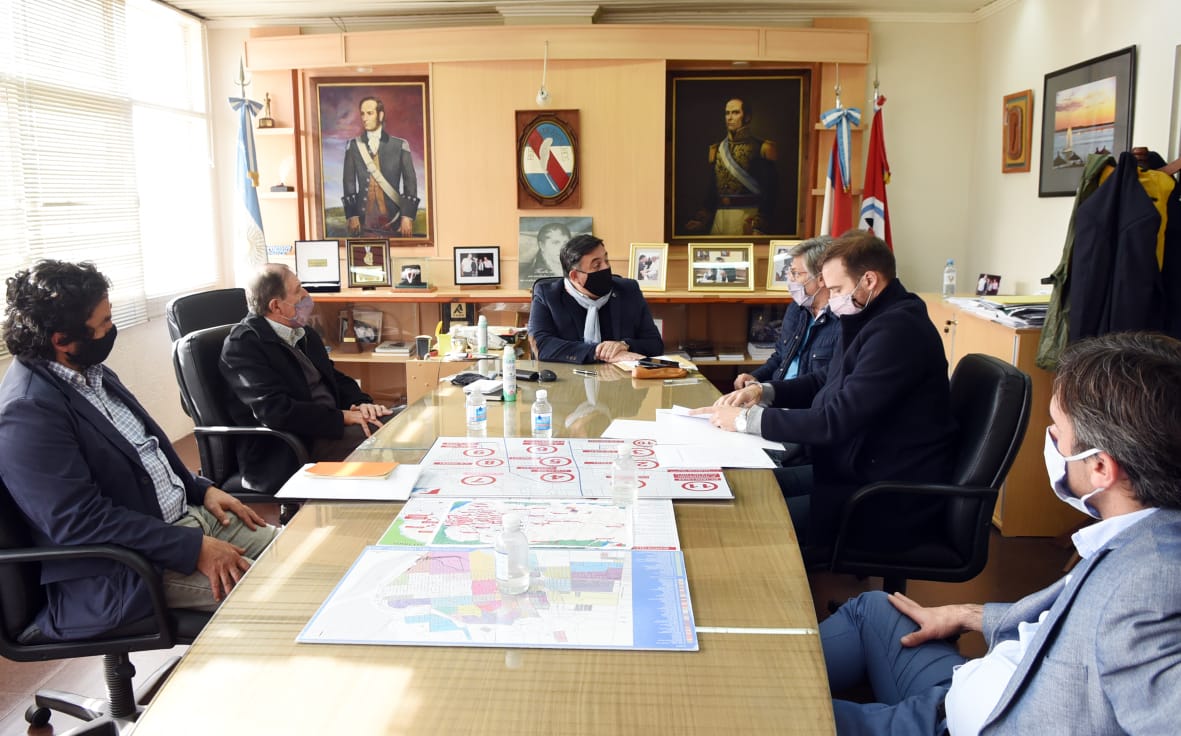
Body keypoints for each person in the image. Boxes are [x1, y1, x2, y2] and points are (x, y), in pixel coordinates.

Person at [822, 331, 1181, 735]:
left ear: (1100, 467)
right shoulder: (1142, 531)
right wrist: (967, 615)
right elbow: (1071, 621)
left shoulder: (1151, 588)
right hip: (965, 692)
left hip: (956, 725)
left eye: (1057, 430)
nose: (1051, 440)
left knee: (773, 717)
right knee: (872, 609)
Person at [0, 260, 277, 640]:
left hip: (189, 520)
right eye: (104, 323)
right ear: (61, 340)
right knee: (287, 596)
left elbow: (146, 453)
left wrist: (201, 489)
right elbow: (77, 521)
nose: (111, 329)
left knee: (308, 560)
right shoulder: (28, 411)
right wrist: (192, 548)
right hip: (128, 569)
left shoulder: (91, 372)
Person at [693, 232, 956, 559]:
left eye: (837, 290)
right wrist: (765, 391)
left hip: (884, 495)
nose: (831, 300)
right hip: (853, 469)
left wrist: (746, 420)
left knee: (749, 520)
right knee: (743, 490)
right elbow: (826, 380)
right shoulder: (871, 317)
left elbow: (835, 421)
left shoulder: (897, 332)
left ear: (869, 280)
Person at [220, 264, 394, 492]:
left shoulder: (303, 332)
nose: (306, 295)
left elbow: (334, 377)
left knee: (401, 418)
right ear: (276, 306)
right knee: (392, 437)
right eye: (298, 290)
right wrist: (342, 417)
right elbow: (275, 411)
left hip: (327, 427)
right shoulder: (243, 346)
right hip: (293, 445)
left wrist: (361, 403)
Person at [528, 234, 665, 364]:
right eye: (597, 265)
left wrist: (624, 345)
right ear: (574, 276)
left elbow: (655, 344)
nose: (606, 267)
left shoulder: (628, 290)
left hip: (619, 377)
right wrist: (598, 352)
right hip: (569, 377)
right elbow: (541, 346)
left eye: (606, 260)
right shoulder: (548, 295)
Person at [733, 236, 838, 389]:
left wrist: (766, 391)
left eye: (796, 273)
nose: (789, 279)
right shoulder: (797, 308)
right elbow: (780, 356)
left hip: (801, 400)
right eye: (790, 272)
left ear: (821, 278)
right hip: (774, 393)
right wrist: (756, 377)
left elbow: (823, 382)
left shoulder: (842, 320)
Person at [685, 97, 778, 236]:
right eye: (727, 113)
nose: (729, 117)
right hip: (719, 217)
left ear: (747, 117)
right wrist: (701, 219)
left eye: (735, 112)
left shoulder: (761, 148)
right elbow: (712, 189)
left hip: (747, 216)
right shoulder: (717, 149)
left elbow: (771, 190)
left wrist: (759, 224)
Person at [342, 96, 419, 238]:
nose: (364, 118)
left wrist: (407, 216)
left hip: (394, 218)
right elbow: (349, 182)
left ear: (381, 115)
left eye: (369, 113)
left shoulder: (400, 145)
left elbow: (410, 182)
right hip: (363, 220)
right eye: (362, 113)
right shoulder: (353, 146)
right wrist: (352, 215)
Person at [518, 221, 571, 289]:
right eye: (555, 243)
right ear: (542, 245)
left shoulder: (575, 270)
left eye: (566, 242)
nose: (562, 248)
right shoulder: (527, 276)